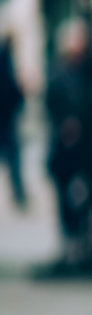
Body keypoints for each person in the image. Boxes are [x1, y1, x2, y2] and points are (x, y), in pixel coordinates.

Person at [44, 19, 92, 256]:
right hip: (64, 147)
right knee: (64, 195)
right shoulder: (58, 72)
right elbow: (51, 102)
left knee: (90, 191)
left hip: (87, 147)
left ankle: (84, 235)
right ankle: (69, 236)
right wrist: (64, 123)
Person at [0, 33, 26, 210]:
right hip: (6, 119)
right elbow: (9, 89)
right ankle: (18, 193)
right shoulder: (5, 61)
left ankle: (19, 193)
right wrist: (19, 96)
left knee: (13, 157)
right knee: (13, 156)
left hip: (7, 117)